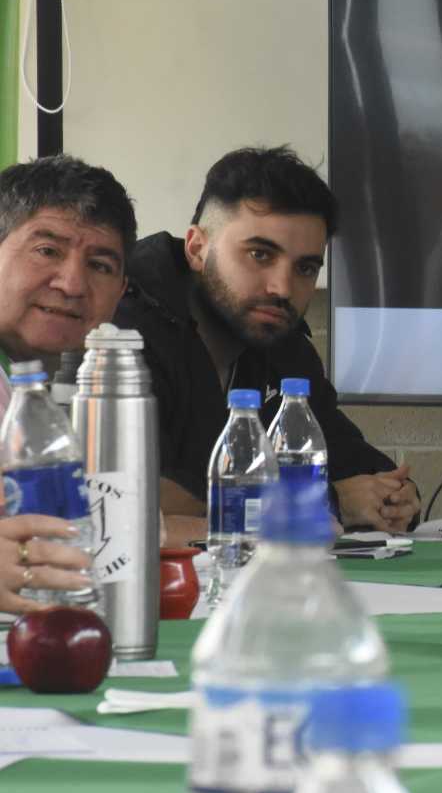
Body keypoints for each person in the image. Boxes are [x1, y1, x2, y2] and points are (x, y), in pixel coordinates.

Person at [112, 146, 419, 537]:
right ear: (196, 247)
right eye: (259, 254)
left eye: (306, 268)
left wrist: (396, 496)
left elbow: (346, 456)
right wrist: (329, 501)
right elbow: (136, 496)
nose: (283, 288)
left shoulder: (282, 341)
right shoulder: (124, 329)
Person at [0, 155, 137, 605]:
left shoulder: (72, 389)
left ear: (119, 294)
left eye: (100, 265)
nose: (73, 283)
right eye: (48, 251)